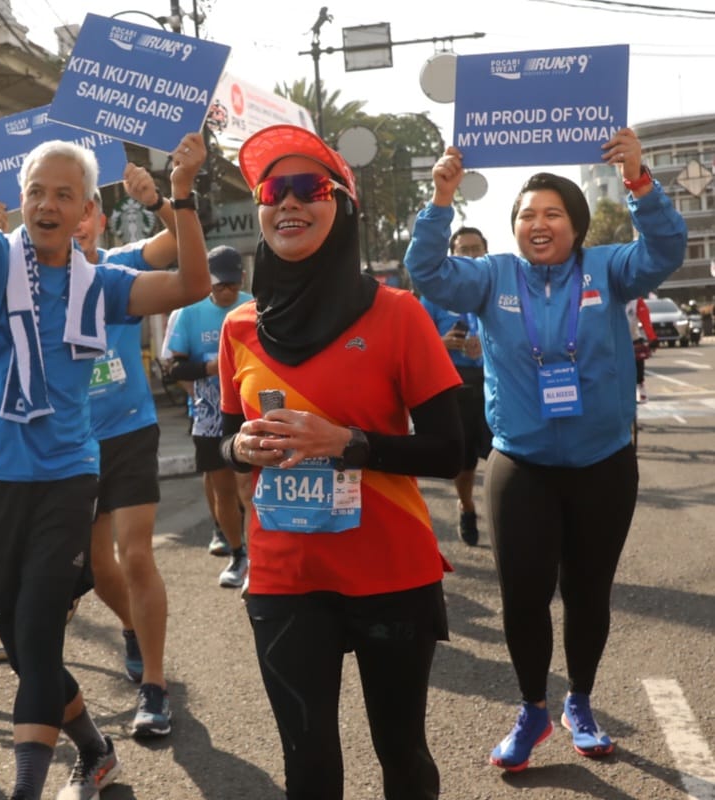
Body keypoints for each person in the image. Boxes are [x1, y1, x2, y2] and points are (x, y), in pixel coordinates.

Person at [0, 131, 211, 800]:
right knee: (24, 651)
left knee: (39, 634)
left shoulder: (103, 285)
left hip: (66, 479)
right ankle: (95, 751)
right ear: (23, 199)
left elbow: (191, 283)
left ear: (86, 210)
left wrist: (181, 197)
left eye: (63, 194)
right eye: (36, 191)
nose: (46, 203)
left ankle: (26, 791)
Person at [404, 128, 687, 772]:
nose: (539, 223)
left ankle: (579, 703)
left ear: (576, 225)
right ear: (513, 227)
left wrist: (641, 182)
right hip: (521, 465)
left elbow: (666, 248)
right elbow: (427, 271)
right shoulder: (491, 276)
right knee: (524, 597)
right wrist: (441, 200)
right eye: (527, 214)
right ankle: (533, 709)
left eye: (553, 213)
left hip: (603, 463)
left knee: (589, 593)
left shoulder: (611, 267)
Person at [219, 124, 464, 800]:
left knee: (402, 757)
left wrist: (349, 444)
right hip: (284, 573)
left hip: (389, 565)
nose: (288, 202)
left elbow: (453, 447)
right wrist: (236, 448)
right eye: (275, 189)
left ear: (342, 206)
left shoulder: (398, 314)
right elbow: (228, 435)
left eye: (309, 187)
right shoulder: (239, 326)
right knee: (309, 770)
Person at [0, 162, 186, 739]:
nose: (63, 217)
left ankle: (156, 686)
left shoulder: (117, 268)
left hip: (128, 431)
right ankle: (132, 628)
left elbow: (180, 251)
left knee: (136, 553)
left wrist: (159, 200)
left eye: (73, 203)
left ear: (92, 214)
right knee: (97, 568)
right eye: (42, 199)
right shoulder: (26, 273)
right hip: (71, 445)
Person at [165, 246, 252, 589]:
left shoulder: (251, 306)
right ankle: (236, 552)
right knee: (222, 489)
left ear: (240, 280)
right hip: (208, 414)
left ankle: (258, 554)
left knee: (247, 486)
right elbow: (173, 367)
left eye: (231, 285)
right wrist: (209, 368)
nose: (226, 292)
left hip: (246, 409)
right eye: (219, 287)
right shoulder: (190, 313)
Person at [418, 226, 492, 546]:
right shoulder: (435, 294)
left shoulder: (498, 287)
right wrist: (441, 343)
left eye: (476, 248)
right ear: (453, 254)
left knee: (507, 453)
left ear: (485, 251)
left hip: (496, 381)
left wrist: (488, 345)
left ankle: (510, 513)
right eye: (464, 249)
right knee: (465, 461)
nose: (471, 254)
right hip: (457, 385)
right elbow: (416, 343)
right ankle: (466, 505)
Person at [626, 296, 656, 403]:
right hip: (615, 340)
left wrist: (652, 338)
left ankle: (640, 387)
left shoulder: (636, 301)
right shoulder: (610, 296)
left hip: (633, 338)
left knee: (638, 364)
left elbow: (645, 320)